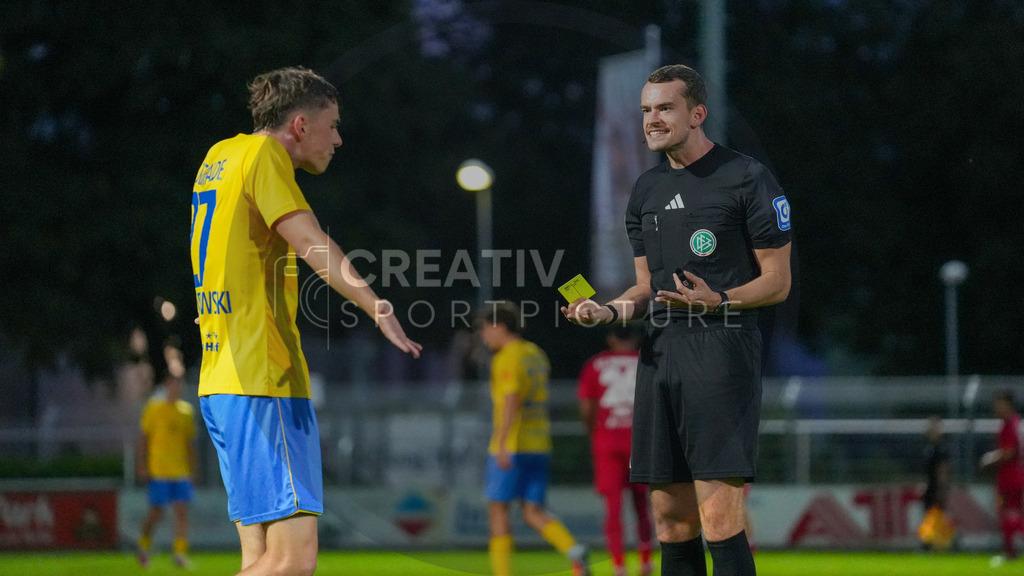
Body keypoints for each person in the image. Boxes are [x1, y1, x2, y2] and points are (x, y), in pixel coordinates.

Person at [562, 64, 792, 576]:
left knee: (719, 518)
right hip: (659, 352)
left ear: (697, 113)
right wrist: (607, 310)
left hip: (722, 350)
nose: (653, 119)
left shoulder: (747, 177)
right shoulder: (645, 189)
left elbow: (779, 281)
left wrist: (719, 299)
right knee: (670, 522)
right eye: (646, 109)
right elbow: (645, 286)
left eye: (665, 108)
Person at [191, 66, 422, 576]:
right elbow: (310, 242)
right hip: (263, 378)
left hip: (222, 381)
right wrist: (376, 305)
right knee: (294, 561)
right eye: (332, 125)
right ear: (299, 125)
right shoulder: (265, 156)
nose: (338, 139)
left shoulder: (219, 156)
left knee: (260, 559)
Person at [477, 301, 591, 576]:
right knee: (533, 511)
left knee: (498, 511)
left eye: (485, 329)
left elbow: (511, 398)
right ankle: (574, 551)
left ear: (499, 326)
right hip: (539, 443)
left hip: (513, 445)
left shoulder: (507, 357)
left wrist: (502, 443)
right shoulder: (535, 353)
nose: (483, 336)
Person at [577, 323, 653, 576]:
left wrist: (593, 432)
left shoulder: (595, 365)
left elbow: (587, 407)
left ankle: (618, 565)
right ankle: (645, 561)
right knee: (643, 506)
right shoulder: (647, 362)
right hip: (641, 442)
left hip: (607, 442)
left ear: (610, 338)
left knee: (613, 508)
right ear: (636, 337)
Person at [135, 374, 196, 568]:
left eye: (179, 384)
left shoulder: (186, 410)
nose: (176, 387)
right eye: (173, 383)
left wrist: (192, 467)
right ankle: (143, 546)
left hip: (180, 471)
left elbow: (188, 442)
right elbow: (144, 439)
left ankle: (179, 553)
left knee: (181, 512)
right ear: (166, 385)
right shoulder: (154, 408)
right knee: (156, 512)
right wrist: (142, 465)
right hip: (159, 470)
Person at [980, 390, 1024, 560]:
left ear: (1008, 404)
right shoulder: (1013, 423)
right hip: (1013, 477)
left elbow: (1010, 452)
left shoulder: (1010, 424)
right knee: (1008, 514)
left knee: (1009, 515)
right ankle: (1010, 552)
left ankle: (1010, 552)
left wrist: (990, 458)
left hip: (1010, 478)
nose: (996, 407)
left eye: (999, 404)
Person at [918, 416, 954, 551]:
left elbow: (943, 469)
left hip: (936, 488)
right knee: (930, 516)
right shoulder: (929, 448)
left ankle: (939, 543)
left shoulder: (941, 448)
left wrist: (941, 488)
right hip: (930, 487)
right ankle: (931, 543)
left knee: (937, 516)